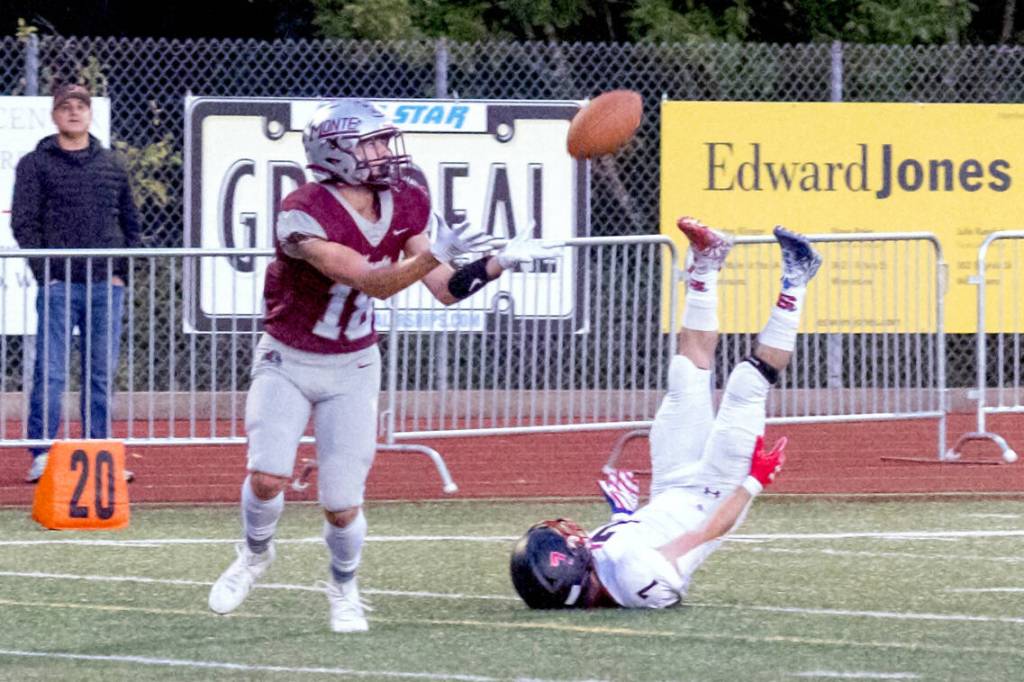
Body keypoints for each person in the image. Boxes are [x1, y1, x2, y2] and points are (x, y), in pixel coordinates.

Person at [207, 98, 549, 632]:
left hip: (353, 365)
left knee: (342, 505)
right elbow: (375, 282)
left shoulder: (406, 197)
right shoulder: (302, 211)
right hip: (288, 357)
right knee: (269, 473)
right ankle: (254, 555)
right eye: (372, 143)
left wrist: (499, 262)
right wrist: (434, 253)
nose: (385, 152)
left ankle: (343, 586)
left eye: (385, 141)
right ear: (336, 151)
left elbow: (444, 291)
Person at [509, 218, 822, 609]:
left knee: (685, 374)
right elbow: (705, 533)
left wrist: (622, 511)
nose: (574, 535)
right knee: (747, 383)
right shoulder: (637, 582)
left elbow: (631, 537)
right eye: (569, 543)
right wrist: (754, 482)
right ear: (568, 569)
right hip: (716, 495)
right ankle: (797, 280)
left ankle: (707, 264)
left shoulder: (600, 567)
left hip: (670, 487)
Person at [11, 83, 141, 483]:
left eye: (80, 106)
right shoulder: (35, 164)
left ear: (90, 113)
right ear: (54, 115)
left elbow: (131, 224)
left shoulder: (112, 164)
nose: (73, 112)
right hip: (59, 285)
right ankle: (43, 454)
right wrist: (45, 274)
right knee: (50, 372)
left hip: (106, 286)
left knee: (100, 373)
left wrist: (122, 275)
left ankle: (98, 450)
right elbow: (24, 222)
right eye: (65, 107)